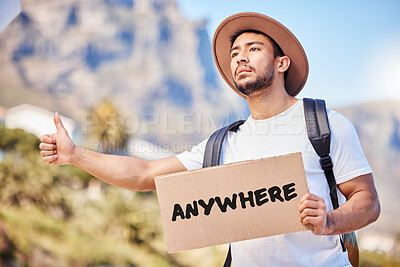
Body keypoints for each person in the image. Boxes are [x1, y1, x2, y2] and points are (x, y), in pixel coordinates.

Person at [40, 12, 380, 266]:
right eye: (234, 53)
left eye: (253, 48)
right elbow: (144, 175)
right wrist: (74, 155)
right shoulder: (224, 144)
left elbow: (368, 201)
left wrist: (329, 221)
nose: (240, 57)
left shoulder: (325, 124)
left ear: (281, 63)